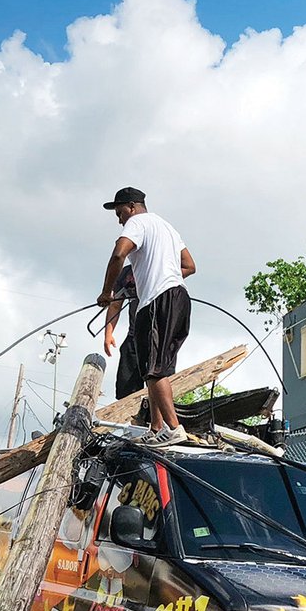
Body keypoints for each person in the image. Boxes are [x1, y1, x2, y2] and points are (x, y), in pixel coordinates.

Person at [97, 186, 195, 446]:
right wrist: (161, 277)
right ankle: (156, 428)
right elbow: (190, 266)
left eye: (119, 213)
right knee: (154, 367)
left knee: (153, 370)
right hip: (180, 299)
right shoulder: (167, 227)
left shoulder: (137, 222)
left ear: (131, 206)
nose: (119, 219)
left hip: (156, 302)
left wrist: (106, 292)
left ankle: (174, 429)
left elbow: (119, 253)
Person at [103, 264, 144, 401]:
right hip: (134, 335)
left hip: (158, 335)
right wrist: (108, 334)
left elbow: (189, 268)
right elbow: (115, 304)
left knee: (158, 379)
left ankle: (158, 418)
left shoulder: (160, 265)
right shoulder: (126, 272)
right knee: (126, 386)